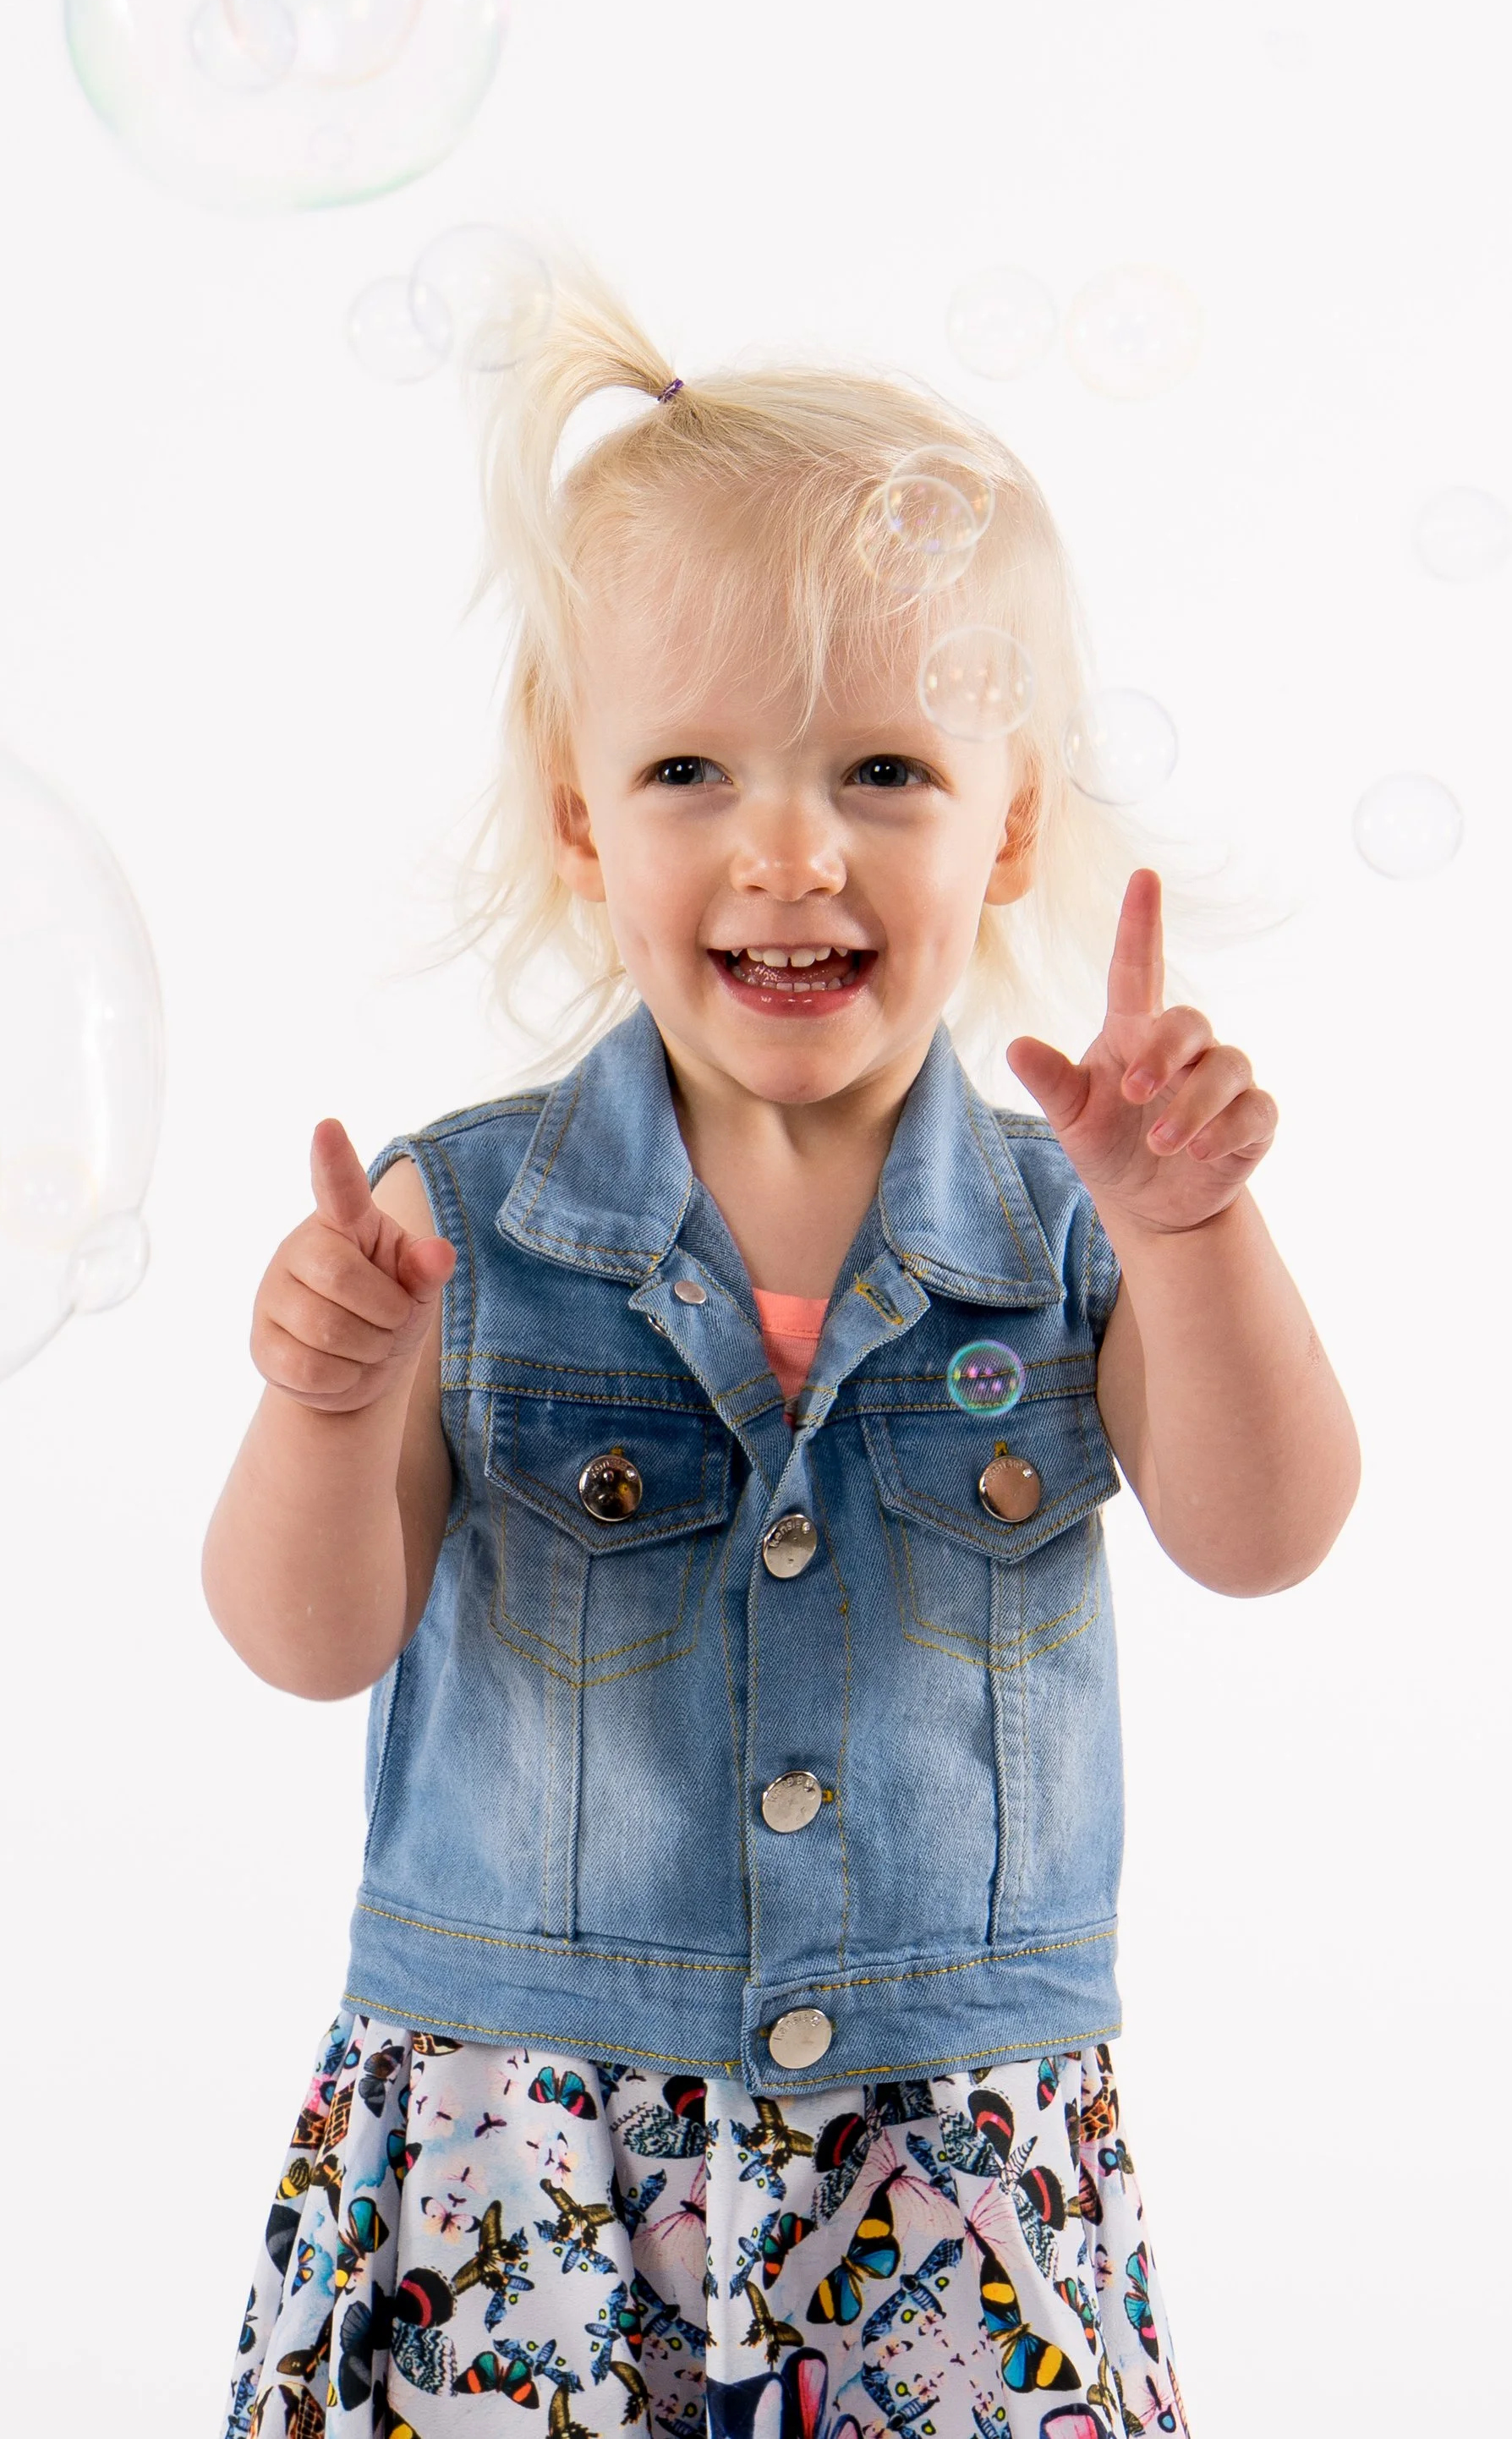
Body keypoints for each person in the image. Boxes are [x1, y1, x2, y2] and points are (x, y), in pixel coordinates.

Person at [205, 265, 1357, 2439]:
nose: (789, 847)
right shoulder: (457, 1222)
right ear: (582, 822)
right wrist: (322, 1406)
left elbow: (1264, 1530)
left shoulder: (1059, 1229)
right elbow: (303, 1637)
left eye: (885, 770)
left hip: (953, 2159)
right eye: (687, 768)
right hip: (514, 2146)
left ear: (1003, 828)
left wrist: (1190, 1236)